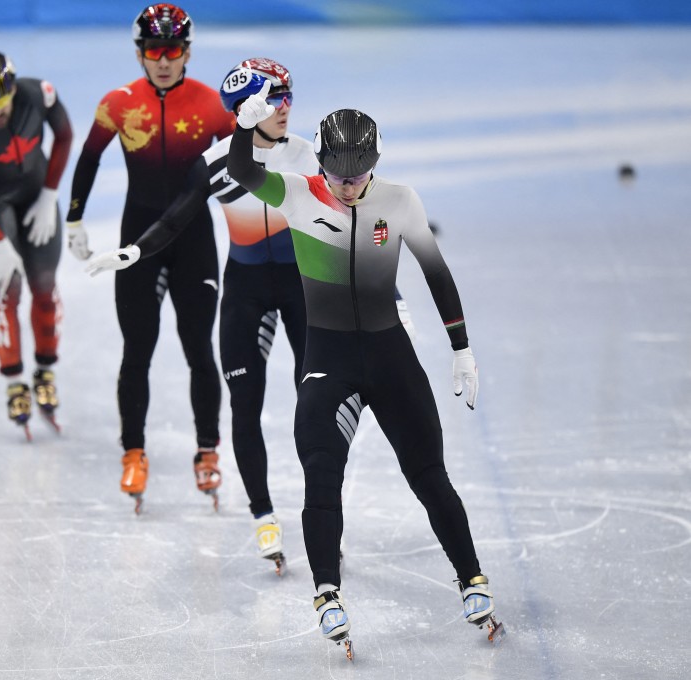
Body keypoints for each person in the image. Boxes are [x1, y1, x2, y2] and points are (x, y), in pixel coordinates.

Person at [87, 57, 418, 568]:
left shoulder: (311, 157)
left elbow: (356, 223)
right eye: (274, 99)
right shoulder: (216, 160)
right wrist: (135, 251)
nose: (286, 107)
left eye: (288, 95)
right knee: (245, 402)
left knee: (318, 406)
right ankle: (263, 515)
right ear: (245, 110)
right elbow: (176, 217)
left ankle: (324, 518)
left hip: (303, 290)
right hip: (244, 292)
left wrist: (389, 290)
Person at [226, 79, 503, 654]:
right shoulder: (299, 193)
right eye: (338, 176)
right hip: (328, 361)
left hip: (389, 354)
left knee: (429, 475)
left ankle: (472, 579)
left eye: (358, 177)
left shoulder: (399, 200)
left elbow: (436, 273)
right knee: (321, 471)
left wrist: (462, 348)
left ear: (374, 166)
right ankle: (327, 592)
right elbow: (245, 176)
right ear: (321, 164)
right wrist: (245, 131)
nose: (348, 188)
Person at [65, 3, 235, 511]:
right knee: (137, 349)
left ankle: (207, 451)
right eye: (154, 51)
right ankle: (133, 452)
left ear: (187, 52)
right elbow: (90, 157)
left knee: (198, 349)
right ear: (140, 53)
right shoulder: (118, 103)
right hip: (136, 237)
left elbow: (243, 169)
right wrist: (74, 218)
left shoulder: (212, 106)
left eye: (173, 51)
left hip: (194, 240)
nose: (164, 61)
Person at [0, 50, 73, 437]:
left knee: (43, 285)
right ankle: (14, 383)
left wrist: (50, 194)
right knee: (7, 291)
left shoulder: (40, 95)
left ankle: (46, 372)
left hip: (37, 194)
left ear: (12, 90)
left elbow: (66, 135)